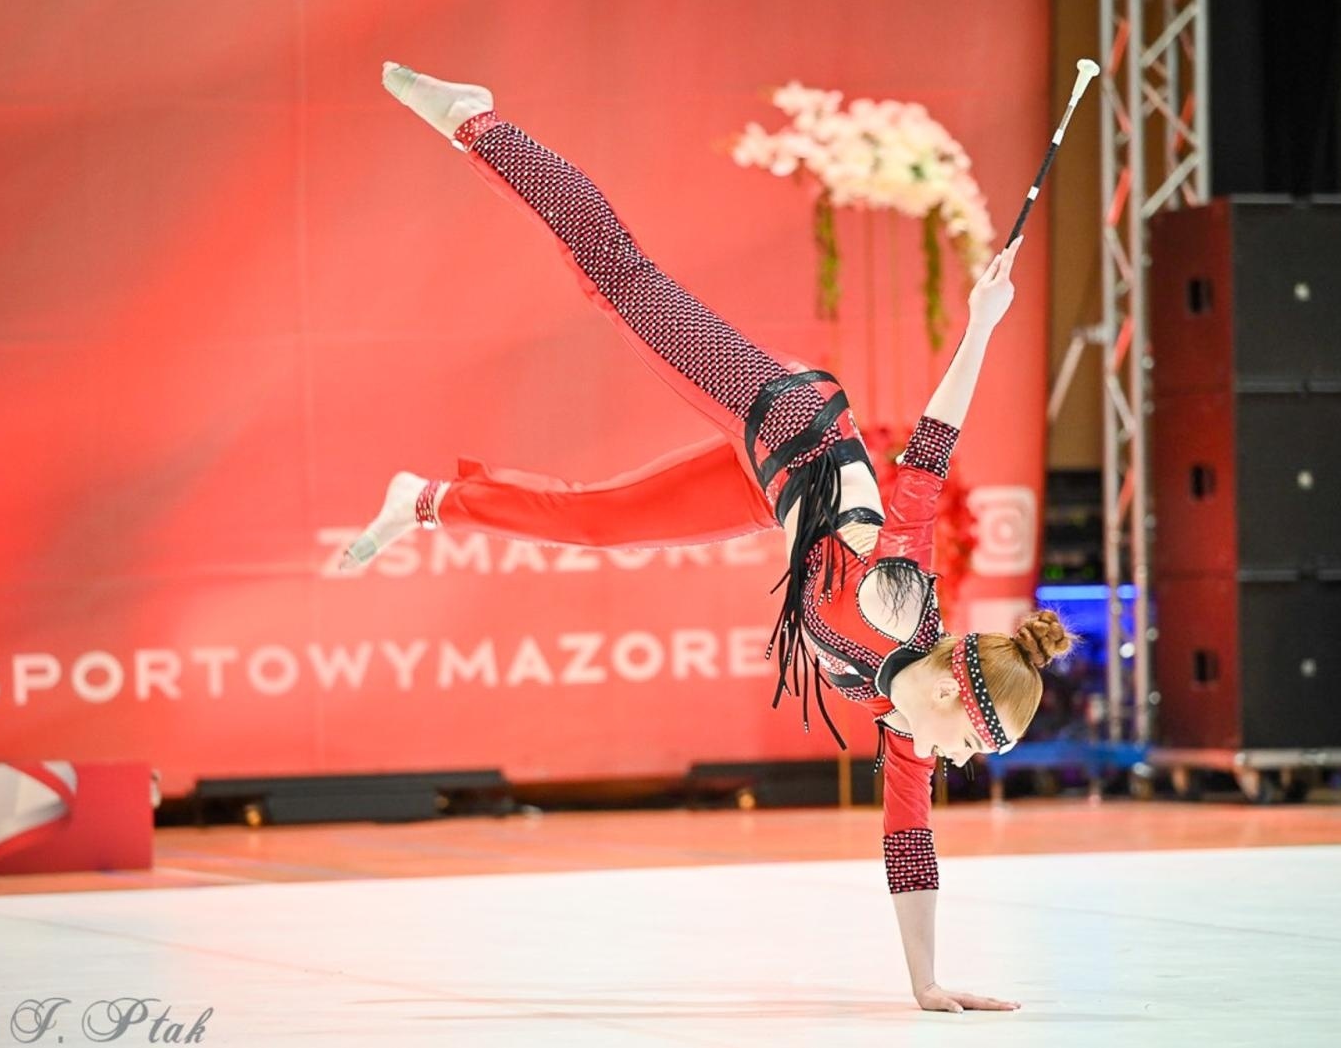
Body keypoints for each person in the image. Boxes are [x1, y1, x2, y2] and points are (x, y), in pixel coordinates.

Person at [346, 62, 1074, 1014]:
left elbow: (909, 843)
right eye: (977, 739)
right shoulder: (899, 596)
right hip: (786, 421)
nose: (966, 759)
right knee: (621, 281)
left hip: (769, 493)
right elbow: (930, 452)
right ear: (950, 689)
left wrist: (927, 983)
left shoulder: (905, 724)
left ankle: (427, 501)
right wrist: (980, 324)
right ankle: (482, 126)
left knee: (596, 522)